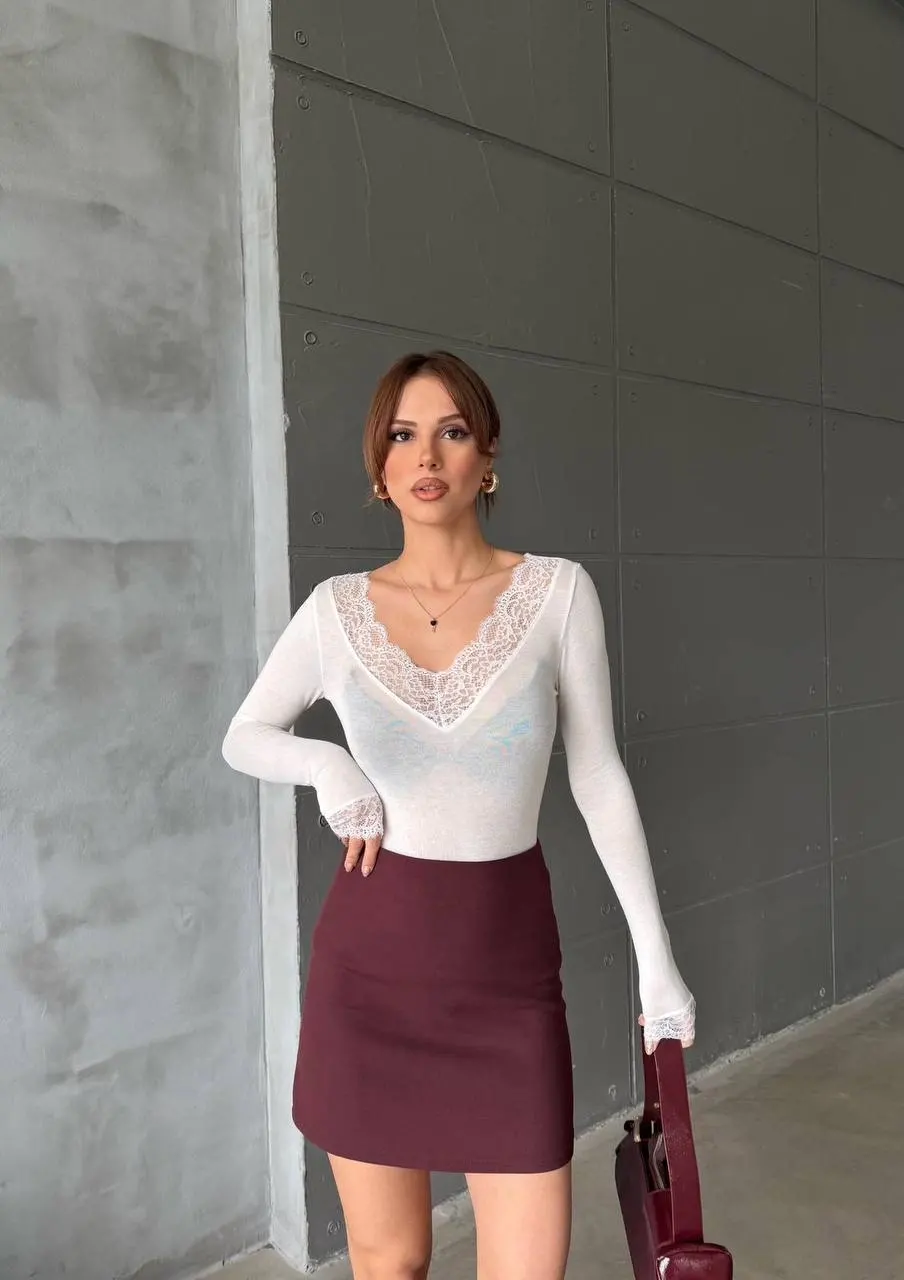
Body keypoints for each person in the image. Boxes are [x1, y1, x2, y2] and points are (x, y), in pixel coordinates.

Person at [221, 351, 695, 1280]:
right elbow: (244, 734)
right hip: (367, 979)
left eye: (452, 431)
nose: (426, 455)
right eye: (402, 435)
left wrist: (657, 959)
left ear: (488, 457)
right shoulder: (335, 611)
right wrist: (326, 765)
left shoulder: (558, 593)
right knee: (389, 1261)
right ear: (379, 467)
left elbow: (598, 775)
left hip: (508, 982)